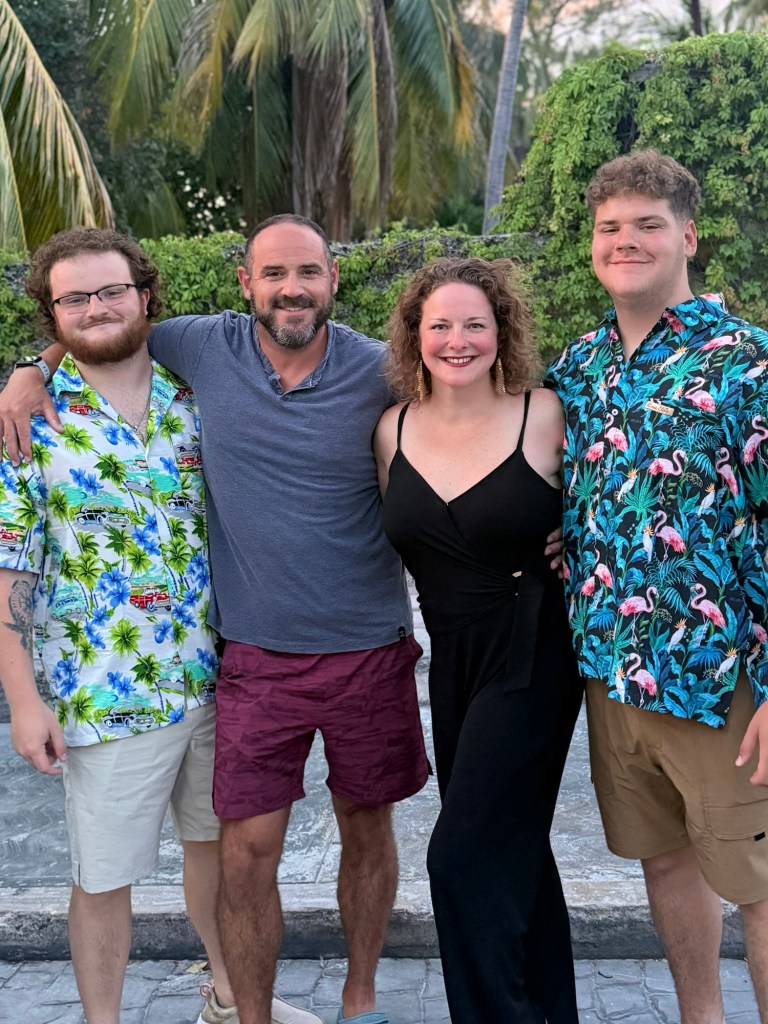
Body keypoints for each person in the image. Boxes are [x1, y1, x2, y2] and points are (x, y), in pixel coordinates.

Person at [0, 227, 324, 1024]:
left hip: (219, 678)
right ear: (52, 312)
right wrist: (24, 702)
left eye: (112, 290)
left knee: (218, 854)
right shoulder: (28, 422)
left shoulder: (199, 392)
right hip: (103, 693)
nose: (97, 308)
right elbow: (9, 571)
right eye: (75, 298)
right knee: (103, 879)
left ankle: (228, 999)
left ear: (145, 296)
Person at [547, 149, 768, 1024]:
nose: (625, 241)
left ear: (689, 236)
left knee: (758, 885)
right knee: (666, 862)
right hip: (614, 674)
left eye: (647, 224)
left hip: (723, 680)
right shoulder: (580, 368)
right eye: (610, 227)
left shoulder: (746, 362)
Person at [374, 257, 583, 1023]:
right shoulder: (392, 430)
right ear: (414, 336)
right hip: (452, 660)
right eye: (440, 325)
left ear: (503, 331)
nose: (457, 340)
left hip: (533, 655)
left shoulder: (545, 414)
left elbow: (617, 507)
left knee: (458, 856)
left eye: (474, 324)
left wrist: (577, 540)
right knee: (512, 847)